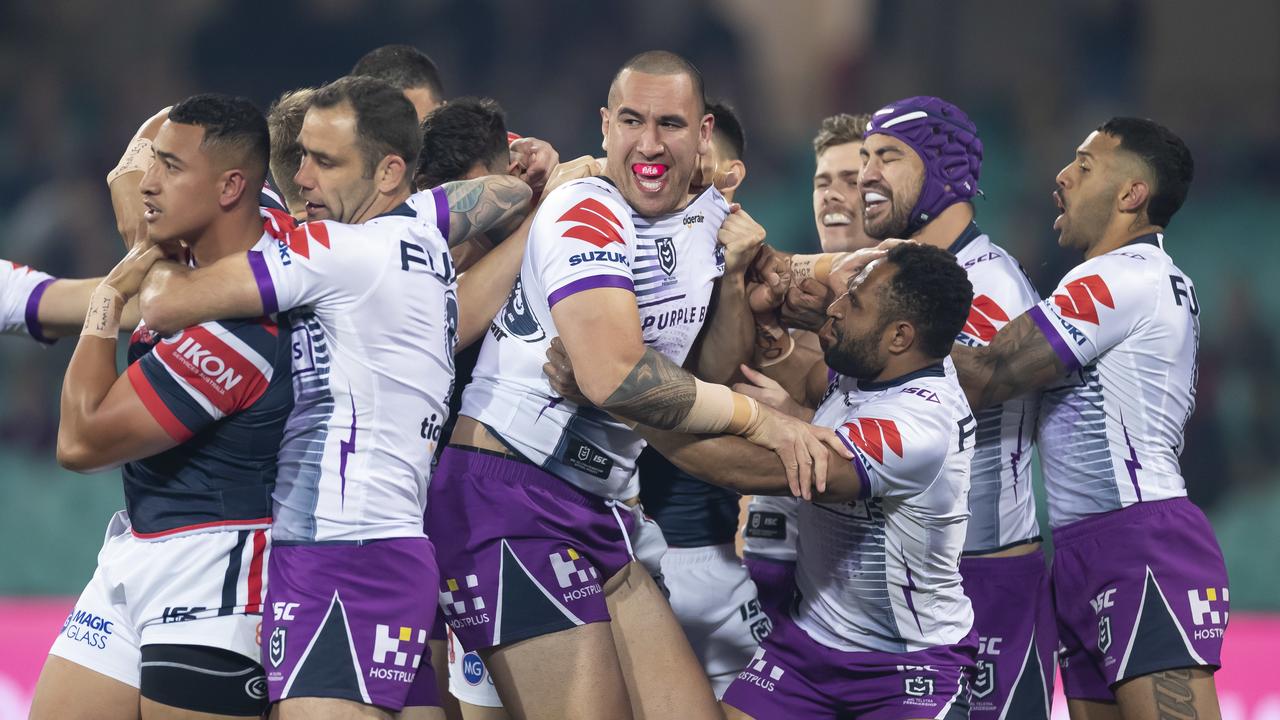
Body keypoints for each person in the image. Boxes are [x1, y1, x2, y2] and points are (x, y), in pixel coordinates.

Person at [427, 50, 838, 719]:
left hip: (599, 505)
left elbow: (691, 383)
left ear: (703, 134)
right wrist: (765, 422)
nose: (649, 143)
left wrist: (735, 282)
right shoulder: (584, 209)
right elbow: (614, 375)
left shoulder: (710, 220)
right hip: (511, 499)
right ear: (605, 127)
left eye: (670, 123)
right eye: (631, 121)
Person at [135, 76, 532, 719]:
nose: (303, 179)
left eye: (325, 161)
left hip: (338, 556)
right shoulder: (421, 229)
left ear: (388, 172)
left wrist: (151, 252)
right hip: (394, 549)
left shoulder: (335, 249)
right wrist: (536, 178)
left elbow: (163, 303)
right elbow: (499, 192)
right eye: (300, 157)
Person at [549, 242, 980, 719]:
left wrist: (614, 396)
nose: (833, 309)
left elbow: (740, 469)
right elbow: (775, 393)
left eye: (854, 303)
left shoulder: (919, 425)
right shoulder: (863, 367)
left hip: (905, 667)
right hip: (807, 647)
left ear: (900, 337)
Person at [952, 117, 1228, 719]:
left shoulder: (1121, 275)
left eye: (1084, 164)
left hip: (1140, 542)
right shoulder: (1151, 279)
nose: (1062, 176)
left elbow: (986, 376)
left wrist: (868, 317)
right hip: (1087, 545)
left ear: (1132, 195)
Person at [30, 94, 292, 720]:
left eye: (171, 169)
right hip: (135, 547)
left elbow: (80, 442)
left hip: (215, 575)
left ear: (231, 186)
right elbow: (151, 134)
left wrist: (110, 298)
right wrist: (142, 219)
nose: (147, 179)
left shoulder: (239, 330)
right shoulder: (262, 215)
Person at [855, 96, 1053, 718]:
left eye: (888, 157)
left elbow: (953, 390)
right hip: (901, 579)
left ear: (944, 173)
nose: (865, 175)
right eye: (864, 157)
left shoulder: (987, 279)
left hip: (987, 580)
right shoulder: (887, 282)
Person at [632, 100, 772, 700]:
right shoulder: (602, 243)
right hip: (613, 549)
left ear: (726, 171)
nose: (668, 159)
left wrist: (736, 274)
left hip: (708, 555)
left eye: (690, 147)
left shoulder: (753, 263)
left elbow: (723, 379)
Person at [740, 111, 875, 621]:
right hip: (765, 565)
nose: (832, 195)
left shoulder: (907, 320)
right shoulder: (775, 302)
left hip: (857, 581)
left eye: (850, 181)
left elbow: (894, 450)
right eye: (822, 182)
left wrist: (792, 417)